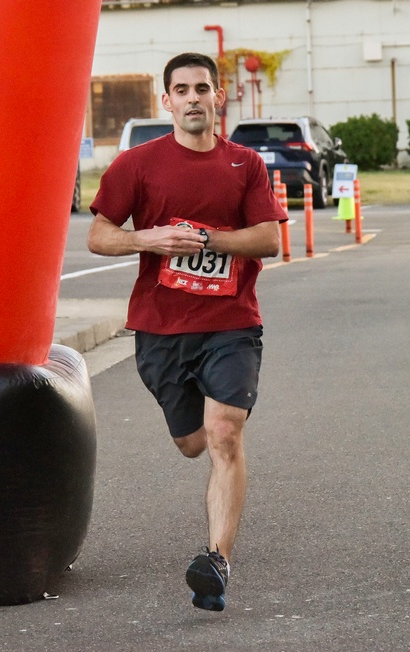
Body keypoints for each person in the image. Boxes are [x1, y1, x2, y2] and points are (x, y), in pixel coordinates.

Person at [88, 52, 287, 612]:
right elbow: (99, 236)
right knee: (192, 442)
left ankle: (216, 561)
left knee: (224, 433)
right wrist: (148, 240)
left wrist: (204, 240)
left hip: (231, 323)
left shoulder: (244, 163)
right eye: (183, 89)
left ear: (218, 97)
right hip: (161, 329)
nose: (194, 97)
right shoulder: (138, 164)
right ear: (167, 101)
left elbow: (268, 239)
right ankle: (214, 420)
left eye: (204, 88)